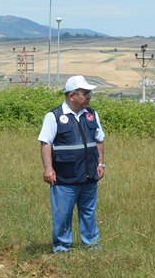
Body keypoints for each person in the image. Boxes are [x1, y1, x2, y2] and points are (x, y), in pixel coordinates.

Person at [38, 74, 105, 253]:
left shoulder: (91, 115)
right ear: (71, 96)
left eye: (89, 93)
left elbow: (99, 140)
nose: (89, 97)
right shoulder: (54, 116)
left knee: (89, 214)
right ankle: (61, 248)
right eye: (85, 93)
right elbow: (46, 143)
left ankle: (91, 246)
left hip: (89, 176)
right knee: (62, 215)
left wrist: (101, 164)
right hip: (64, 178)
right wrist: (48, 168)